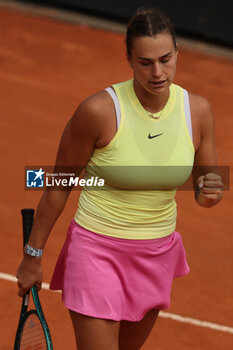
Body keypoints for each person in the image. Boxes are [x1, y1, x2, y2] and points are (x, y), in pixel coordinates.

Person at [16, 7, 223, 350]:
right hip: (97, 251)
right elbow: (57, 185)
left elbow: (205, 188)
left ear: (177, 53)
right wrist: (32, 256)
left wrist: (210, 192)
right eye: (145, 62)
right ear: (128, 58)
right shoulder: (98, 111)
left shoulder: (198, 111)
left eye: (165, 59)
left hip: (156, 254)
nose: (158, 72)